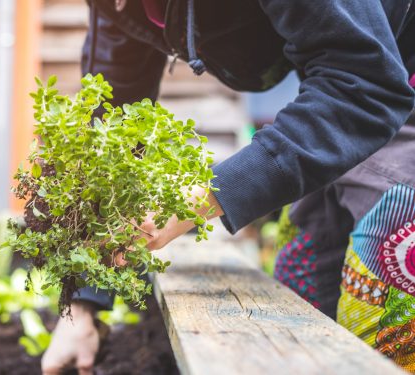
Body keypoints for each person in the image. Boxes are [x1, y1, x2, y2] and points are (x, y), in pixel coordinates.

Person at [41, 0, 415, 374]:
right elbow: (110, 126)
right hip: (347, 100)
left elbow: (367, 84)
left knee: (386, 323)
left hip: (388, 85)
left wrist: (206, 196)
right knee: (300, 301)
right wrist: (81, 305)